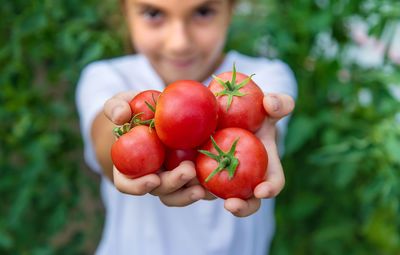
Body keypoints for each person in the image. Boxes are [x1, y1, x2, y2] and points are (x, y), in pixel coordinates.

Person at [75, 0, 297, 254]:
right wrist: (126, 145)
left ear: (231, 10)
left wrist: (265, 128)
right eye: (153, 13)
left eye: (203, 12)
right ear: (125, 12)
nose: (179, 43)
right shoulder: (105, 76)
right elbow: (105, 143)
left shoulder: (265, 76)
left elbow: (268, 130)